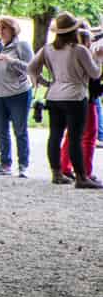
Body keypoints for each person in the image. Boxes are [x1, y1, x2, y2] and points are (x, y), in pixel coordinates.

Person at [27, 12, 102, 189]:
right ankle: (81, 177)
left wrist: (46, 83)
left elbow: (31, 68)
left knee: (55, 135)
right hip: (75, 95)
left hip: (54, 95)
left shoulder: (48, 49)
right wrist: (98, 60)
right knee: (75, 137)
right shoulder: (79, 50)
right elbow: (94, 73)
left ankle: (57, 172)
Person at [0, 16, 33, 177]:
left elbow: (30, 68)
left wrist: (11, 61)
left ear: (13, 29)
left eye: (4, 28)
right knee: (1, 130)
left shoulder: (21, 45)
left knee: (20, 129)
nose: (1, 32)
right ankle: (5, 163)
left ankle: (23, 164)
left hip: (18, 92)